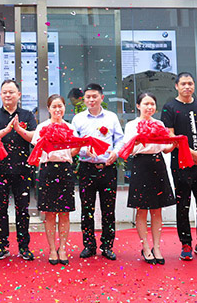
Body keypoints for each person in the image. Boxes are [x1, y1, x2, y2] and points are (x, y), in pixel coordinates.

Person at [161, 72, 197, 261]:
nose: (187, 87)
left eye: (190, 83)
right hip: (181, 163)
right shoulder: (170, 107)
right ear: (177, 86)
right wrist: (191, 152)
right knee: (183, 204)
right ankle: (185, 244)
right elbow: (170, 135)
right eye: (184, 84)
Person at [0, 79, 37, 261]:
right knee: (0, 210)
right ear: (1, 94)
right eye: (5, 92)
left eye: (11, 92)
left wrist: (19, 129)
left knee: (23, 210)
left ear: (18, 95)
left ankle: (24, 247)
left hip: (22, 170)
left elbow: (34, 138)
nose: (8, 95)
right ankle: (2, 245)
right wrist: (6, 130)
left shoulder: (27, 115)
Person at [71, 83, 124, 261]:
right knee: (87, 209)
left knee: (108, 209)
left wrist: (116, 153)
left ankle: (107, 246)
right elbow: (74, 142)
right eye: (88, 97)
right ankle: (89, 245)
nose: (91, 100)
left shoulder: (111, 117)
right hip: (87, 169)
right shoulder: (78, 119)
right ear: (84, 99)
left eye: (95, 96)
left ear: (101, 97)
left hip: (107, 168)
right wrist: (84, 150)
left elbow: (120, 140)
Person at [123, 92, 176, 265]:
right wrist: (138, 141)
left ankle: (157, 247)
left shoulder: (159, 124)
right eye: (146, 104)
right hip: (140, 164)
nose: (149, 107)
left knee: (157, 209)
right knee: (141, 209)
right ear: (138, 106)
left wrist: (173, 144)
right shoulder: (132, 125)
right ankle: (145, 247)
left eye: (152, 104)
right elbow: (129, 148)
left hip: (158, 164)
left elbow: (165, 148)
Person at [31, 94, 81, 266]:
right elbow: (36, 150)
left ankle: (63, 248)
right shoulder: (42, 127)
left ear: (64, 107)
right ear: (49, 109)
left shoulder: (70, 127)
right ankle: (52, 249)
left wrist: (74, 148)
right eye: (54, 106)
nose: (57, 109)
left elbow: (73, 151)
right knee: (50, 213)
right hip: (47, 170)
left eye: (60, 106)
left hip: (65, 170)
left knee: (65, 213)